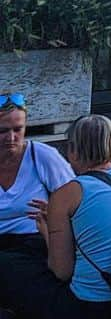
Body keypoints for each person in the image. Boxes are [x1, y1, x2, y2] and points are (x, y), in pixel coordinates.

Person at [0, 114, 111, 319]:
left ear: (74, 150)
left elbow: (62, 271)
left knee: (7, 265)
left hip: (91, 309)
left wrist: (45, 229)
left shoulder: (68, 193)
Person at [0, 96, 75, 257]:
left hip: (33, 241)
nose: (11, 138)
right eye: (3, 130)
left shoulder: (41, 155)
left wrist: (55, 213)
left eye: (18, 129)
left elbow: (75, 200)